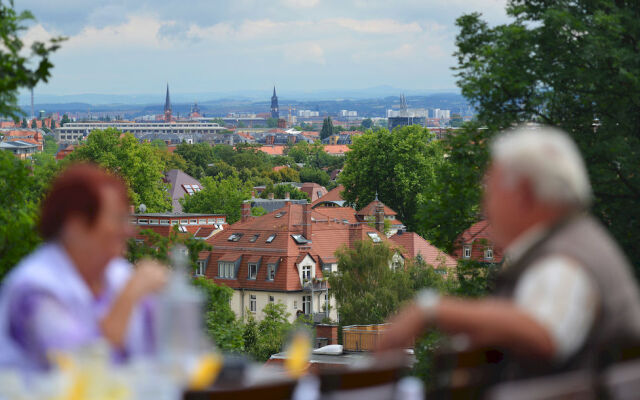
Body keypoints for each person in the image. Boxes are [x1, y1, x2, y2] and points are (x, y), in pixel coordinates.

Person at [378, 125, 640, 379]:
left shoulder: (564, 258)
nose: (484, 205)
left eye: (491, 191)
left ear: (524, 193)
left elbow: (544, 334)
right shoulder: (582, 239)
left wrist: (433, 310)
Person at [0, 163, 167, 374]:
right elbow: (80, 370)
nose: (128, 230)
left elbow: (166, 353)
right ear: (76, 226)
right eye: (117, 219)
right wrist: (130, 295)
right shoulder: (34, 290)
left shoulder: (117, 274)